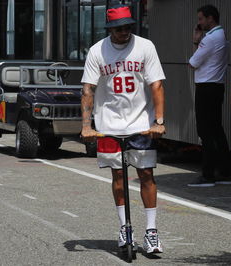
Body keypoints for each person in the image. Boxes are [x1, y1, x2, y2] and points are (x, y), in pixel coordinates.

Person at [80, 5, 166, 254]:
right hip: (109, 124)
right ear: (110, 29)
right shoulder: (97, 51)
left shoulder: (145, 47)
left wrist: (158, 122)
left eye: (128, 27)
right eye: (119, 29)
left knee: (146, 174)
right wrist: (87, 126)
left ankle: (151, 231)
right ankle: (124, 227)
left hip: (140, 122)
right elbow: (88, 89)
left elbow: (157, 85)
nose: (125, 32)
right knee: (118, 176)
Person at [188, 5, 231, 187]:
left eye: (201, 19)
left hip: (206, 88)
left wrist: (196, 41)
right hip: (217, 86)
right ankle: (223, 172)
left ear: (210, 18)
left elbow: (193, 62)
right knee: (216, 130)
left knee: (205, 131)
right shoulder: (221, 36)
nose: (199, 23)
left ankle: (208, 175)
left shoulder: (210, 39)